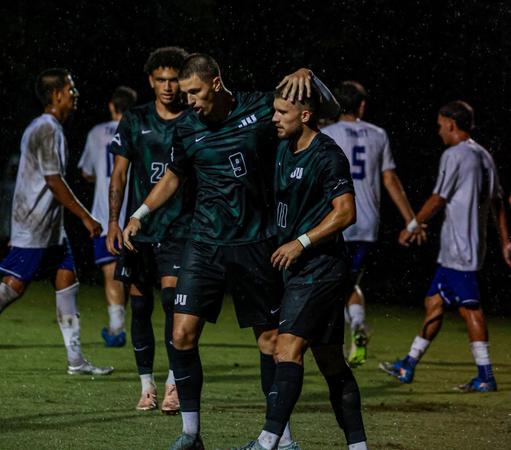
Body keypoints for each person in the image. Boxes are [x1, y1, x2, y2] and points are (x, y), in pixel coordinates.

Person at [123, 53, 337, 450]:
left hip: (256, 243)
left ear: (216, 83)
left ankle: (281, 439)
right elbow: (173, 175)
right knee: (181, 334)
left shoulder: (260, 107)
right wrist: (139, 214)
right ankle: (190, 434)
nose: (188, 101)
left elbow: (323, 111)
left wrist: (308, 73)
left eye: (194, 92)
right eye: (185, 93)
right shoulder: (187, 127)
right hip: (204, 242)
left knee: (270, 342)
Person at [230, 84, 368, 450]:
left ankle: (268, 442)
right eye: (274, 110)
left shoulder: (327, 155)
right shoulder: (283, 147)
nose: (274, 118)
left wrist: (301, 242)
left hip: (319, 267)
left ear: (305, 116)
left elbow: (346, 213)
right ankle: (358, 446)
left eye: (282, 112)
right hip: (297, 268)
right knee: (331, 362)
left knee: (285, 348)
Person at [380, 100, 511, 392]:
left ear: (451, 124)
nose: (438, 131)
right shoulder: (484, 155)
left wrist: (412, 226)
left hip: (459, 251)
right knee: (434, 302)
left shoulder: (454, 155)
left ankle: (485, 376)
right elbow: (498, 202)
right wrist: (505, 241)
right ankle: (407, 364)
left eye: (440, 126)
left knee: (470, 309)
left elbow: (438, 198)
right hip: (465, 248)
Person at [0, 68, 113, 376]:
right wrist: (86, 216)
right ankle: (76, 360)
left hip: (50, 229)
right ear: (57, 94)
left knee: (67, 280)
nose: (76, 95)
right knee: (14, 286)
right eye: (71, 89)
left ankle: (76, 360)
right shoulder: (46, 128)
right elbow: (53, 181)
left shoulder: (51, 128)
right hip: (34, 226)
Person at [107, 47, 192, 414]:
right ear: (151, 82)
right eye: (161, 80)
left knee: (173, 303)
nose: (168, 86)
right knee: (140, 307)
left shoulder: (193, 119)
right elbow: (119, 174)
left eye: (174, 79)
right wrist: (114, 220)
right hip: (137, 231)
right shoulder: (135, 119)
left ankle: (174, 383)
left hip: (179, 227)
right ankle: (146, 386)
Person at [322, 81, 421, 367]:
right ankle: (357, 327)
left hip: (335, 219)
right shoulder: (378, 134)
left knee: (332, 285)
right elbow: (390, 179)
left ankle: (335, 344)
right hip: (366, 224)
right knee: (350, 282)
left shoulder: (327, 134)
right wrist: (411, 220)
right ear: (362, 105)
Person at [78, 86, 137, 347]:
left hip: (105, 214)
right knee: (130, 273)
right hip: (134, 214)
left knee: (110, 269)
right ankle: (125, 327)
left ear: (112, 106)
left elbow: (86, 172)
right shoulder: (138, 129)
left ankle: (116, 328)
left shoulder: (96, 133)